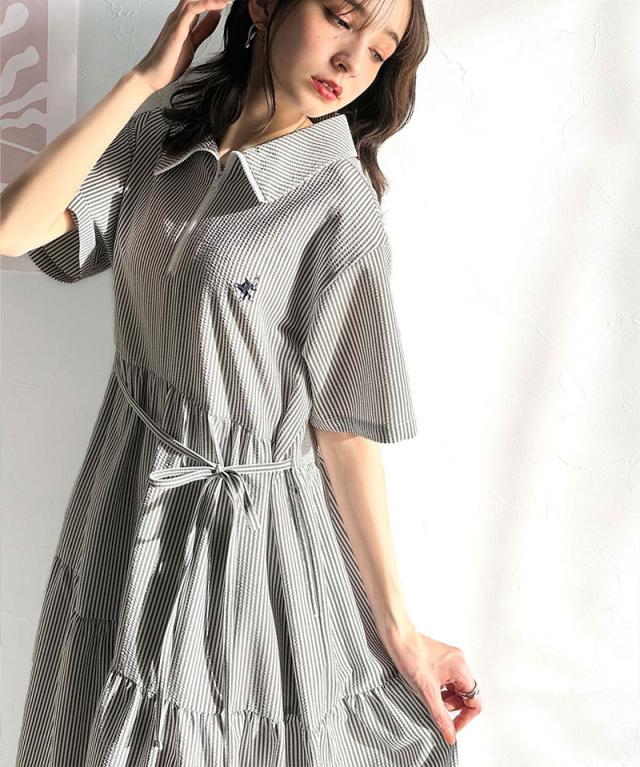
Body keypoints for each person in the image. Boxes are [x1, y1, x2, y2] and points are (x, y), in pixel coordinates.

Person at [1, 0, 482, 764]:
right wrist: (144, 79)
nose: (354, 60)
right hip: (124, 493)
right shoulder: (160, 141)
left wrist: (401, 630)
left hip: (248, 539)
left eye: (380, 50)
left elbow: (344, 433)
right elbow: (12, 228)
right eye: (342, 17)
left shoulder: (337, 205)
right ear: (264, 5)